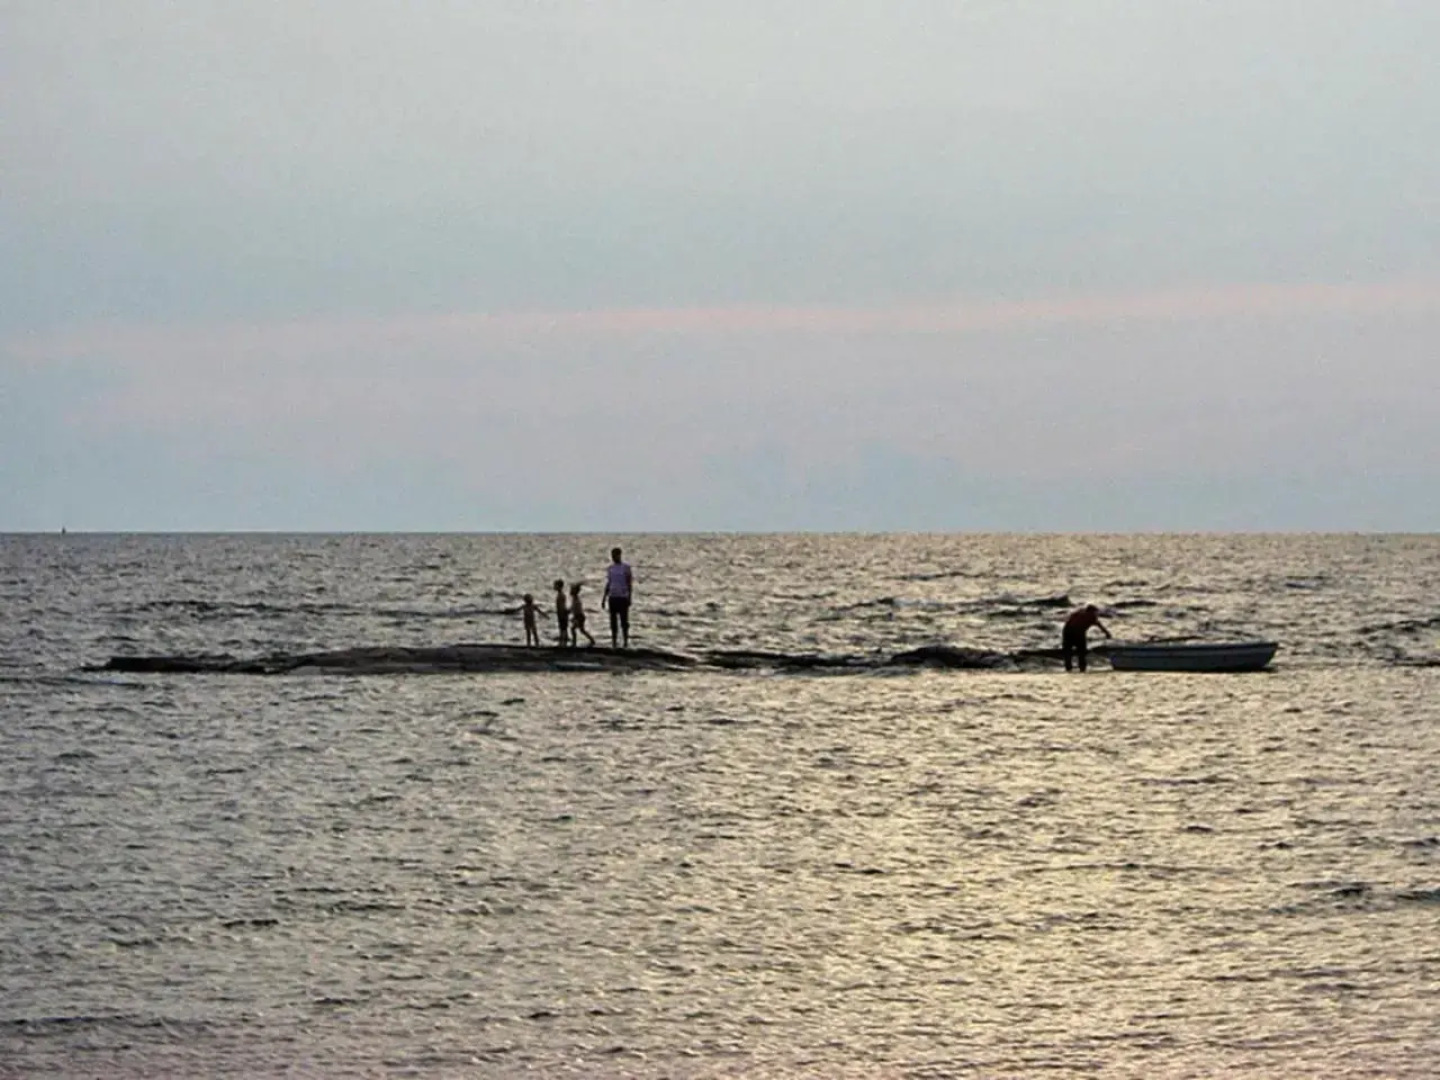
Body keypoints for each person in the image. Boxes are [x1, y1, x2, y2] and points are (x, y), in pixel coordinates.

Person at [1062, 603, 1111, 672]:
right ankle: (1082, 668)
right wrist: (1107, 634)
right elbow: (1100, 626)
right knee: (1081, 652)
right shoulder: (1091, 616)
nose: (1096, 614)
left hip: (1067, 631)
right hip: (1077, 632)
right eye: (1095, 612)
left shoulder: (1078, 613)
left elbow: (1069, 621)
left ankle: (1068, 668)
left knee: (1068, 651)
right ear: (1091, 611)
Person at [601, 546, 633, 648]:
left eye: (615, 555)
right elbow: (609, 583)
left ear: (619, 555)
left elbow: (629, 583)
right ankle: (614, 642)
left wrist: (629, 596)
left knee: (624, 621)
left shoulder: (625, 567)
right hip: (612, 597)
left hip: (622, 597)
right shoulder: (610, 568)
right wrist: (604, 597)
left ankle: (625, 642)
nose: (614, 557)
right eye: (612, 556)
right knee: (613, 621)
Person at [569, 582, 596, 647]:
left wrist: (570, 613)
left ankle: (574, 643)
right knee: (581, 630)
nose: (570, 591)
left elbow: (574, 609)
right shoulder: (574, 599)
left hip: (579, 617)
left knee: (573, 629)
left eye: (571, 590)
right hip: (578, 616)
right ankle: (592, 640)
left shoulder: (576, 599)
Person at [552, 579, 570, 647]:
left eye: (555, 585)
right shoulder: (560, 595)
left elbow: (562, 606)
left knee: (563, 628)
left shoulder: (561, 595)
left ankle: (562, 643)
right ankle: (564, 642)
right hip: (561, 614)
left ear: (559, 586)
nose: (554, 587)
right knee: (562, 628)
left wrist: (563, 614)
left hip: (562, 614)